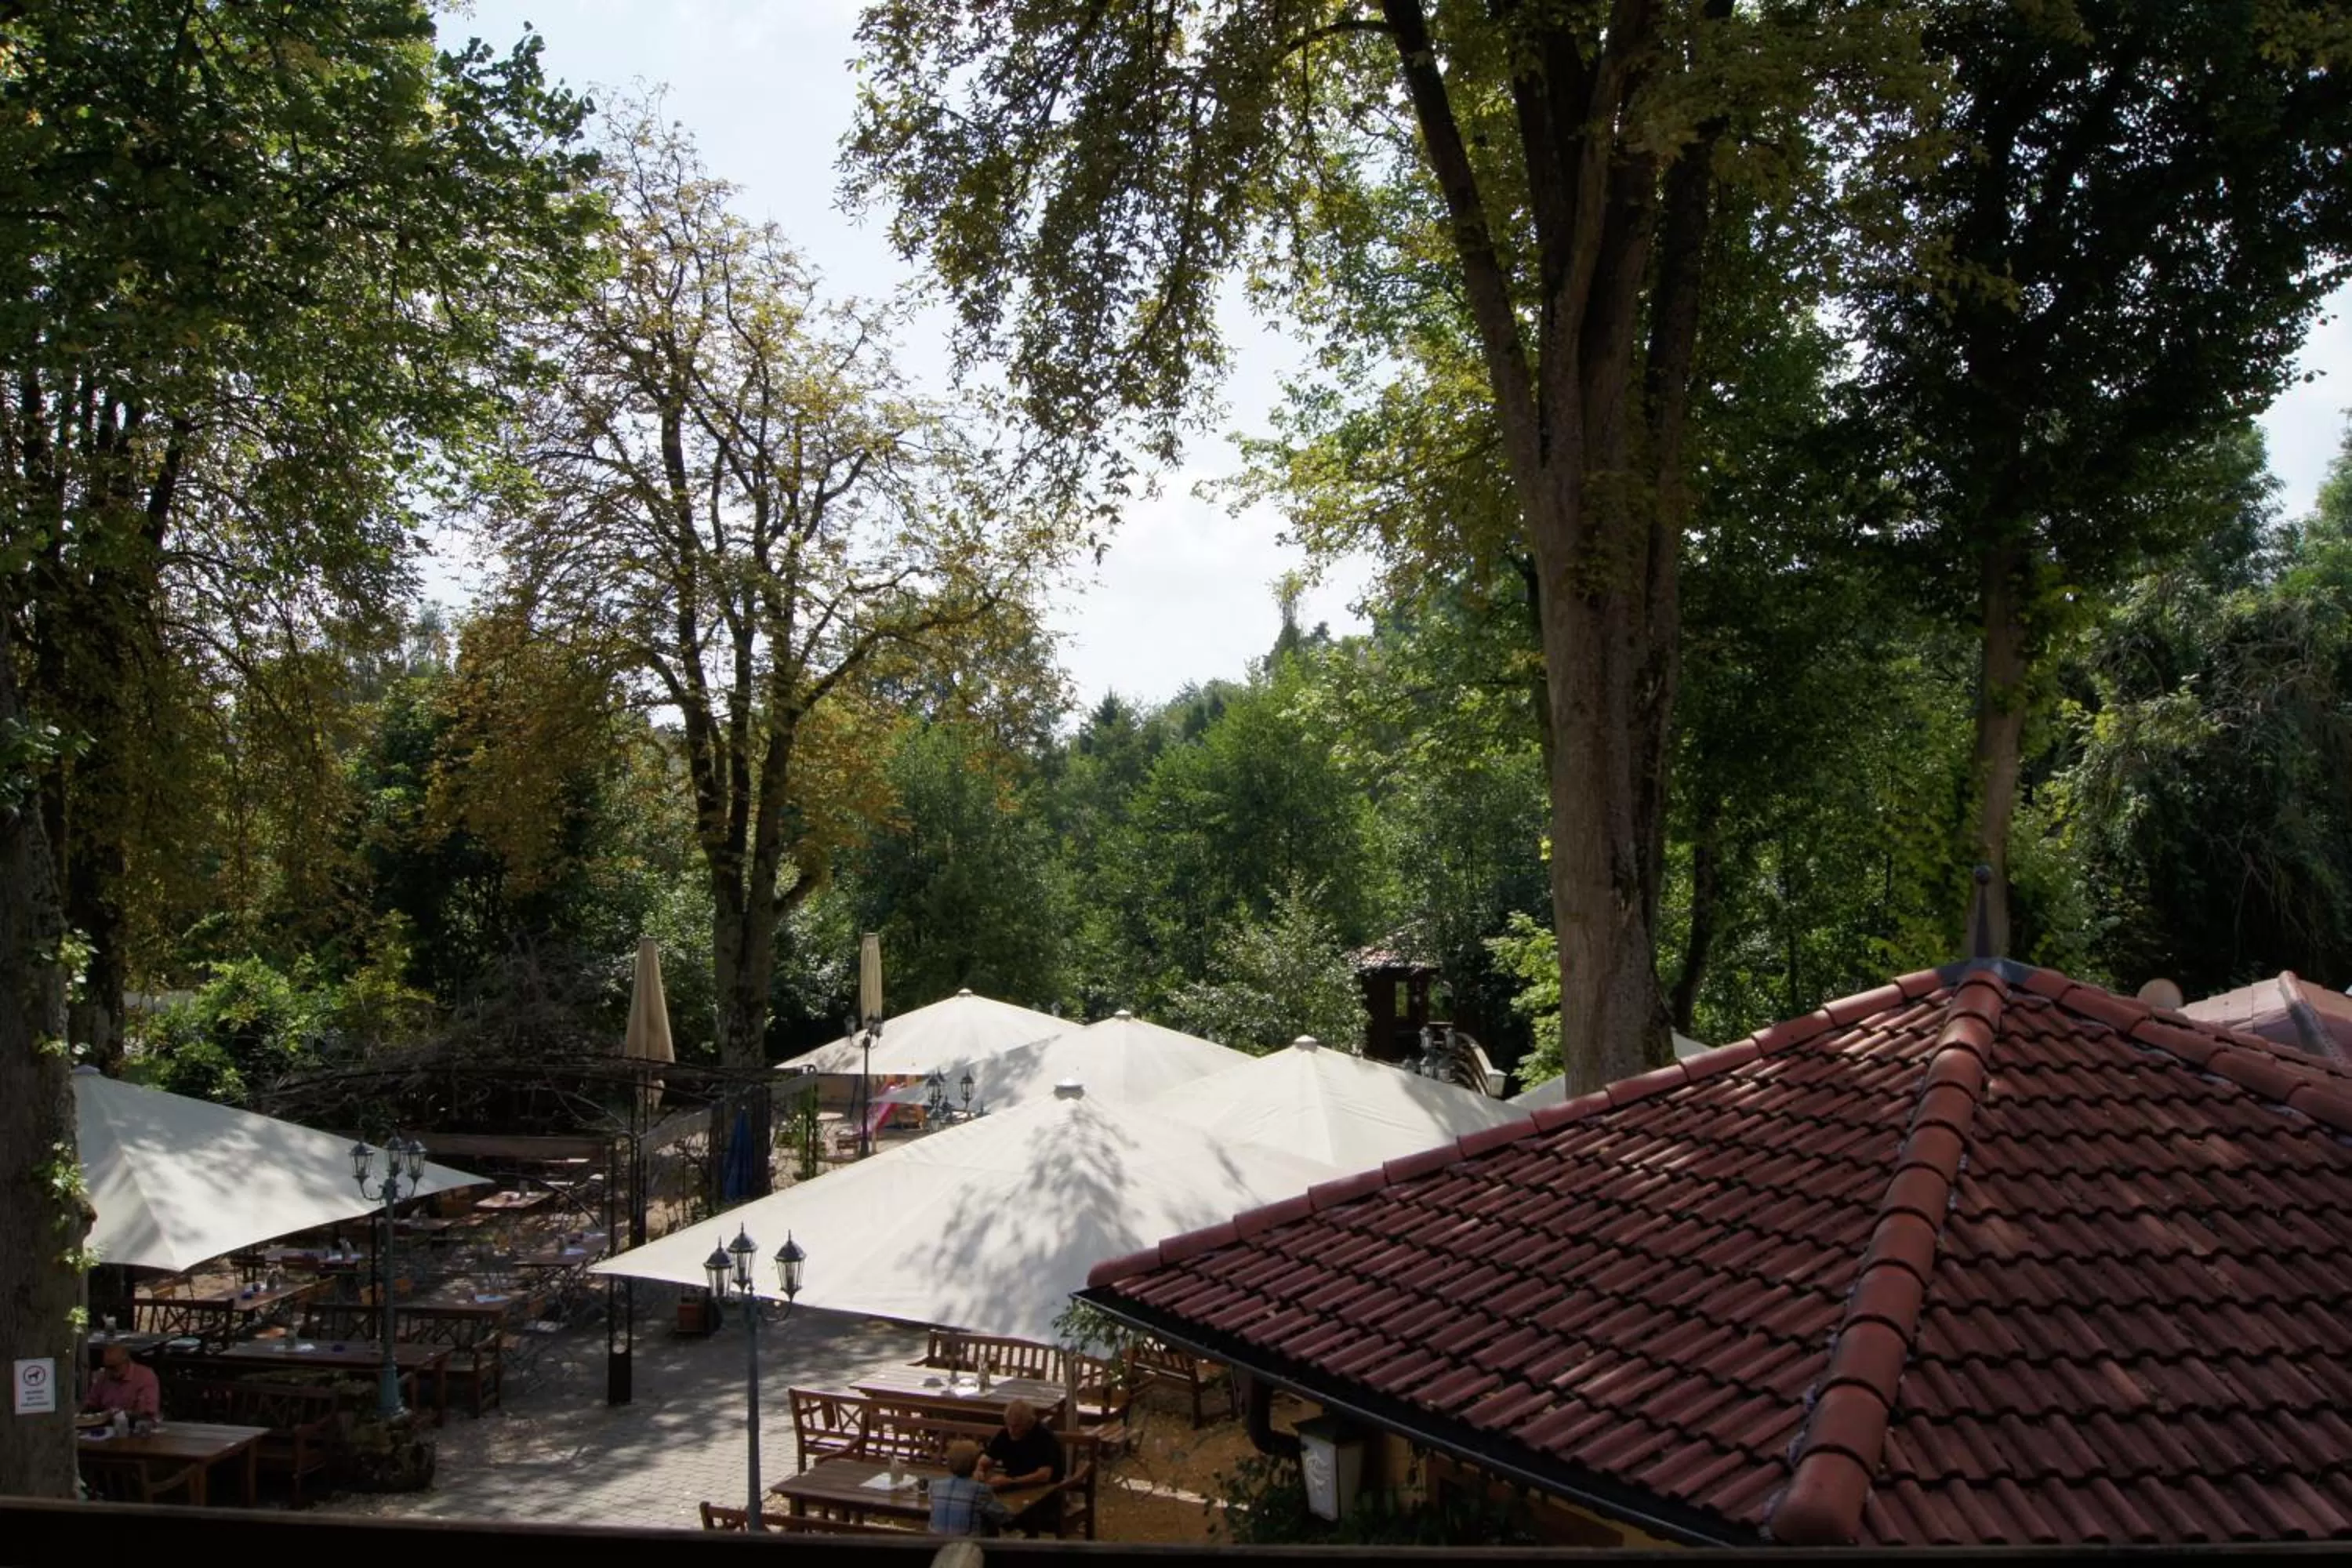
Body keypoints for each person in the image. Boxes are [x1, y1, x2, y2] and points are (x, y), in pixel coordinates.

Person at [978, 1398, 1065, 1534]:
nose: (1011, 1430)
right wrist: (979, 1469)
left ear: (1029, 1424)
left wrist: (1011, 1482)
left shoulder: (1044, 1437)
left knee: (1020, 1511)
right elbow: (986, 1458)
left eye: (1016, 1426)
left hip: (1043, 1491)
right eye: (1009, 1425)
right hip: (1014, 1489)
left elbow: (1044, 1475)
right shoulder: (1005, 1434)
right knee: (984, 1506)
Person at [927, 1439, 1011, 1537]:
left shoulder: (935, 1486)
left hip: (936, 1544)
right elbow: (1003, 1516)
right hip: (967, 1547)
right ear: (975, 1463)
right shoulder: (981, 1490)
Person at [83, 1343, 160, 1425]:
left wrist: (116, 1415)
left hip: (135, 1427)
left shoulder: (145, 1377)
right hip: (105, 1428)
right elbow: (91, 1404)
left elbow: (147, 1414)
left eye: (114, 1367)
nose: (110, 1372)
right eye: (107, 1367)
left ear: (126, 1362)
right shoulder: (103, 1377)